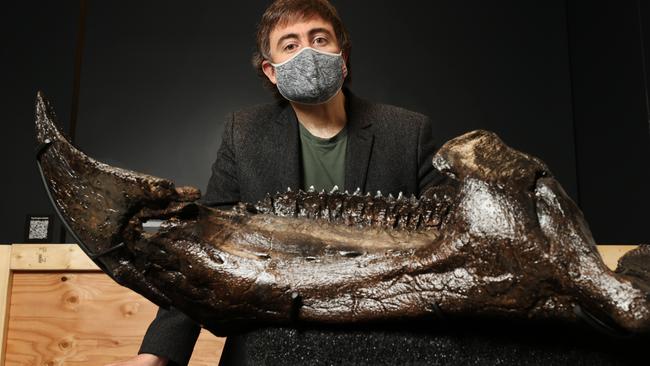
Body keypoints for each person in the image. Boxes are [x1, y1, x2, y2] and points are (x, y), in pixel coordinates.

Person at [107, 0, 442, 365]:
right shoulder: (245, 135)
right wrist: (158, 353)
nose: (308, 53)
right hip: (270, 346)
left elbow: (448, 234)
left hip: (381, 345)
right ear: (271, 71)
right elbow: (207, 250)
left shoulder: (406, 132)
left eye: (319, 39)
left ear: (342, 57)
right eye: (290, 45)